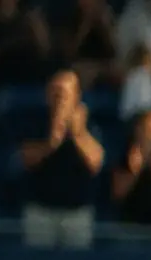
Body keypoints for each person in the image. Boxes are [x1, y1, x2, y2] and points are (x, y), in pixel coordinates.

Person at [19, 70, 104, 250]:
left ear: (76, 96)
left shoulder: (90, 125)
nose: (59, 99)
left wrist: (77, 134)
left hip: (77, 213)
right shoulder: (35, 122)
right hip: (41, 209)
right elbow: (27, 159)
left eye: (64, 93)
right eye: (55, 92)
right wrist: (52, 141)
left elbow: (95, 162)